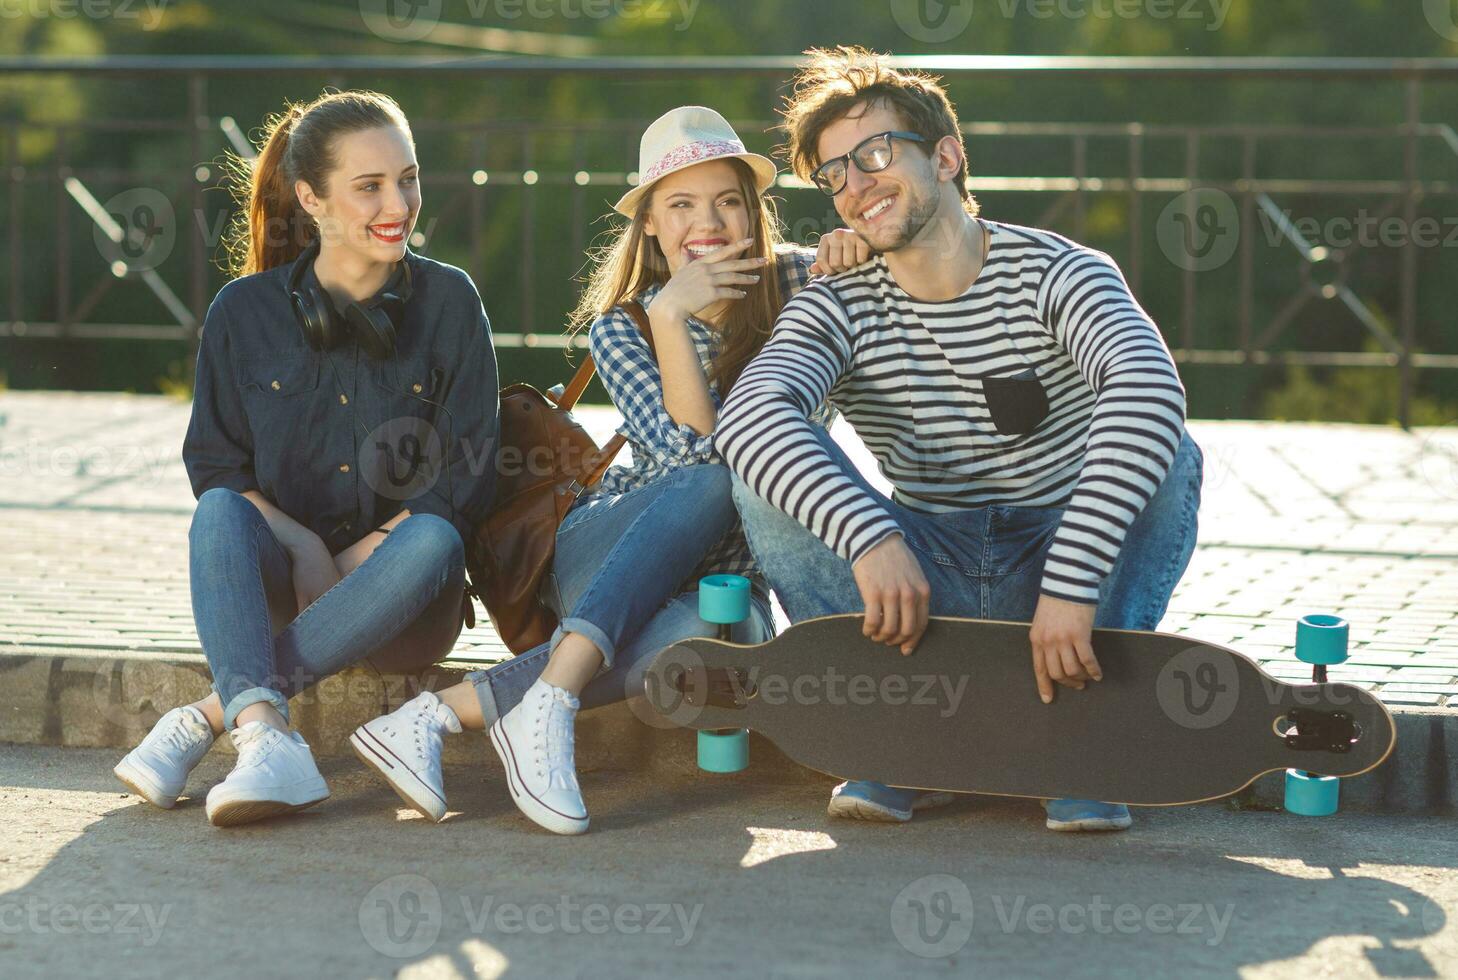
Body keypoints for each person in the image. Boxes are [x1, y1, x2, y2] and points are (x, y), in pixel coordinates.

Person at [715, 48, 1204, 832]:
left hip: (1062, 583)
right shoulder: (837, 302)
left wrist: (1073, 583)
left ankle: (1081, 735)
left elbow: (1146, 389)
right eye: (834, 174)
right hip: (915, 586)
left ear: (945, 156)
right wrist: (869, 535)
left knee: (1171, 454)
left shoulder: (1056, 272)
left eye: (875, 154)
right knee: (761, 477)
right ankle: (900, 736)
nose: (856, 186)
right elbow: (752, 416)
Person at [351, 106, 866, 834]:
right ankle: (549, 708)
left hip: (727, 577)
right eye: (680, 205)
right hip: (609, 548)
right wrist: (670, 321)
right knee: (720, 476)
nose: (706, 223)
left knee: (732, 634)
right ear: (650, 223)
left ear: (753, 211)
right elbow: (700, 459)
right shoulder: (625, 325)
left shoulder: (800, 283)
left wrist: (858, 253)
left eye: (726, 200)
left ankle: (430, 720)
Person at [112, 90, 500, 827]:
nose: (400, 202)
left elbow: (466, 479)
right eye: (370, 186)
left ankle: (206, 716)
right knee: (221, 513)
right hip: (286, 591)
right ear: (310, 198)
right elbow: (217, 468)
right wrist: (300, 546)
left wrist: (350, 565)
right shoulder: (243, 313)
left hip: (409, 606)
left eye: (409, 178)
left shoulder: (451, 301)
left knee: (435, 535)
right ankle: (266, 739)